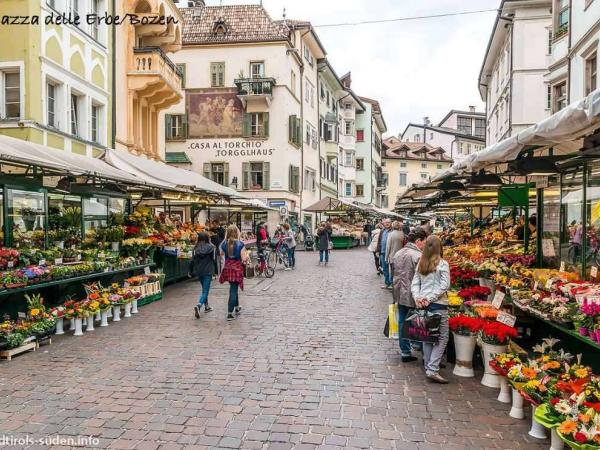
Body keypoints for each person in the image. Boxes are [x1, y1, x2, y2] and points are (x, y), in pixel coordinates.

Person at [411, 235, 451, 384]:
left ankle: (429, 366)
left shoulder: (422, 263)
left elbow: (415, 283)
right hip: (438, 304)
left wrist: (418, 297)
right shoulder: (442, 264)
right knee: (442, 337)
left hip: (423, 304)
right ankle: (433, 369)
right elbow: (445, 285)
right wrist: (430, 298)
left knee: (427, 336)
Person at [392, 228, 427, 362]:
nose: (424, 245)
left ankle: (405, 351)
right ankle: (418, 345)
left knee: (402, 320)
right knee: (418, 321)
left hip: (399, 292)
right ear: (418, 241)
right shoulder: (418, 256)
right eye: (423, 242)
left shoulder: (399, 253)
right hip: (413, 293)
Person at [219, 225, 250, 321]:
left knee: (233, 287)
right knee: (233, 289)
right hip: (237, 268)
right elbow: (244, 258)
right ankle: (229, 313)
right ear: (237, 232)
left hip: (228, 268)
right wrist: (247, 255)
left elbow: (221, 254)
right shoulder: (240, 244)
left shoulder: (224, 243)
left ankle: (237, 307)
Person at [189, 232, 215, 318]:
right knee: (205, 291)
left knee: (204, 289)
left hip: (199, 271)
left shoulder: (195, 248)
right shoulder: (211, 247)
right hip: (208, 270)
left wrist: (190, 271)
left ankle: (207, 307)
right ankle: (199, 305)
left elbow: (192, 261)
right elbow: (213, 259)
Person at [376, 218, 393, 288]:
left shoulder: (393, 231)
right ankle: (387, 283)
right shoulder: (382, 231)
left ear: (391, 223)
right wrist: (377, 250)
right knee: (385, 269)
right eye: (386, 222)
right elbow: (379, 241)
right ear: (384, 223)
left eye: (388, 222)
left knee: (392, 268)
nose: (387, 224)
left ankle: (392, 283)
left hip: (391, 253)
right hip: (383, 252)